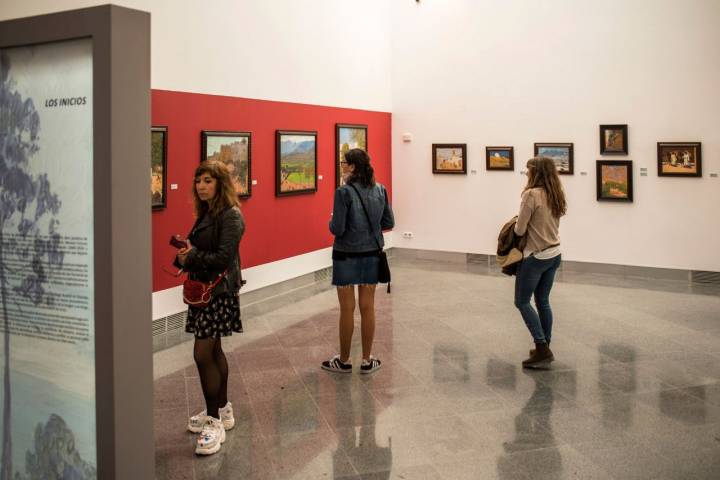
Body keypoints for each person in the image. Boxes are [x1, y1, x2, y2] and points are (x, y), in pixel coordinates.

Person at [175, 161, 245, 455]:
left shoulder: (231, 216)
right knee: (213, 351)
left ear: (220, 184)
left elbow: (222, 258)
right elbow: (202, 251)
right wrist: (184, 256)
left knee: (202, 353)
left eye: (207, 181)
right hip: (204, 293)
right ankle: (223, 410)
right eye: (198, 181)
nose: (201, 186)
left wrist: (190, 257)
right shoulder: (207, 213)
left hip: (218, 293)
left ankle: (214, 421)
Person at [322, 148, 394, 374]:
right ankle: (366, 359)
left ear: (352, 167)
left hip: (345, 254)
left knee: (346, 309)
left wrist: (331, 220)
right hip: (371, 253)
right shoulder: (380, 189)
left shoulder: (343, 192)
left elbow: (338, 228)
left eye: (343, 163)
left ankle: (343, 360)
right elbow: (389, 221)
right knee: (367, 307)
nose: (341, 166)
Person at [513, 157, 566, 368]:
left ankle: (542, 347)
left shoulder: (531, 194)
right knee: (542, 301)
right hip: (554, 254)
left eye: (528, 170)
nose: (526, 173)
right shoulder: (555, 194)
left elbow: (519, 229)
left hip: (536, 256)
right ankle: (546, 346)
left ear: (535, 172)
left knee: (522, 301)